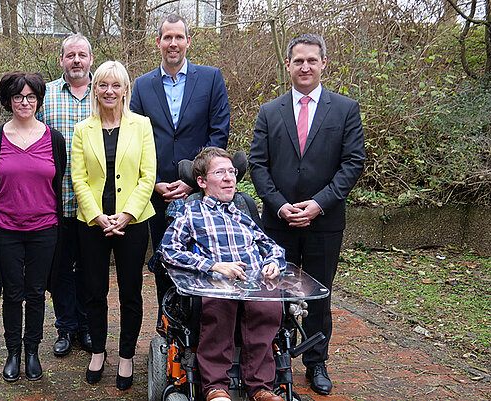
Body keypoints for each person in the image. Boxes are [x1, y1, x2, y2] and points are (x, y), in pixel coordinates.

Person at [249, 33, 366, 396]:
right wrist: (279, 204)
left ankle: (316, 362)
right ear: (288, 65)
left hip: (324, 222)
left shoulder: (345, 109)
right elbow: (257, 164)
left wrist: (318, 204)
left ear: (323, 64)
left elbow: (352, 163)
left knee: (318, 296)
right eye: (298, 61)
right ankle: (271, 360)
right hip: (277, 222)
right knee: (274, 294)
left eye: (312, 61)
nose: (305, 67)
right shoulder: (270, 112)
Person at [159, 147, 287, 401]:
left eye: (232, 171)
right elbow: (168, 249)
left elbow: (272, 246)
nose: (229, 177)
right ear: (202, 182)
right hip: (216, 283)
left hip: (252, 282)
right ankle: (215, 386)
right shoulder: (191, 212)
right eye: (220, 172)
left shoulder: (243, 215)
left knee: (269, 308)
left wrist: (273, 262)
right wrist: (212, 266)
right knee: (219, 308)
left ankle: (260, 387)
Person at [129, 13, 230, 310]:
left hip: (199, 191)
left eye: (179, 37)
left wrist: (192, 180)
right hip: (157, 191)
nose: (173, 43)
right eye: (167, 38)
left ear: (188, 41)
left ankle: (203, 325)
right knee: (164, 258)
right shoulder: (143, 85)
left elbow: (218, 133)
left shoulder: (211, 78)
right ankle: (167, 324)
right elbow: (135, 137)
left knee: (205, 258)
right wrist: (154, 182)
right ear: (158, 42)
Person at [71, 60, 155, 391]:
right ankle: (97, 351)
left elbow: (148, 175)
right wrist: (96, 215)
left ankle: (126, 355)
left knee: (130, 291)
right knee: (94, 290)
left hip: (132, 223)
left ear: (125, 90)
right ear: (95, 90)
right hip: (92, 223)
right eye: (103, 85)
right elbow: (78, 177)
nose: (109, 91)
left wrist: (128, 214)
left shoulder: (142, 126)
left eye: (116, 85)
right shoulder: (82, 129)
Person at [0, 71, 66, 382]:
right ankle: (13, 351)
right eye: (18, 97)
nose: (25, 102)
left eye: (31, 96)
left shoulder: (54, 139)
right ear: (8, 101)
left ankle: (32, 351)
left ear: (39, 100)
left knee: (37, 293)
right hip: (6, 229)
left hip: (45, 229)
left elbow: (57, 181)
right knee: (13, 294)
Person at [35, 33, 95, 357]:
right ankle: (65, 327)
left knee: (88, 268)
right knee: (59, 269)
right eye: (70, 55)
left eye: (81, 55)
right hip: (54, 201)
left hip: (94, 203)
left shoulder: (104, 94)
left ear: (90, 59)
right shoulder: (46, 96)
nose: (76, 60)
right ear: (61, 60)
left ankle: (86, 326)